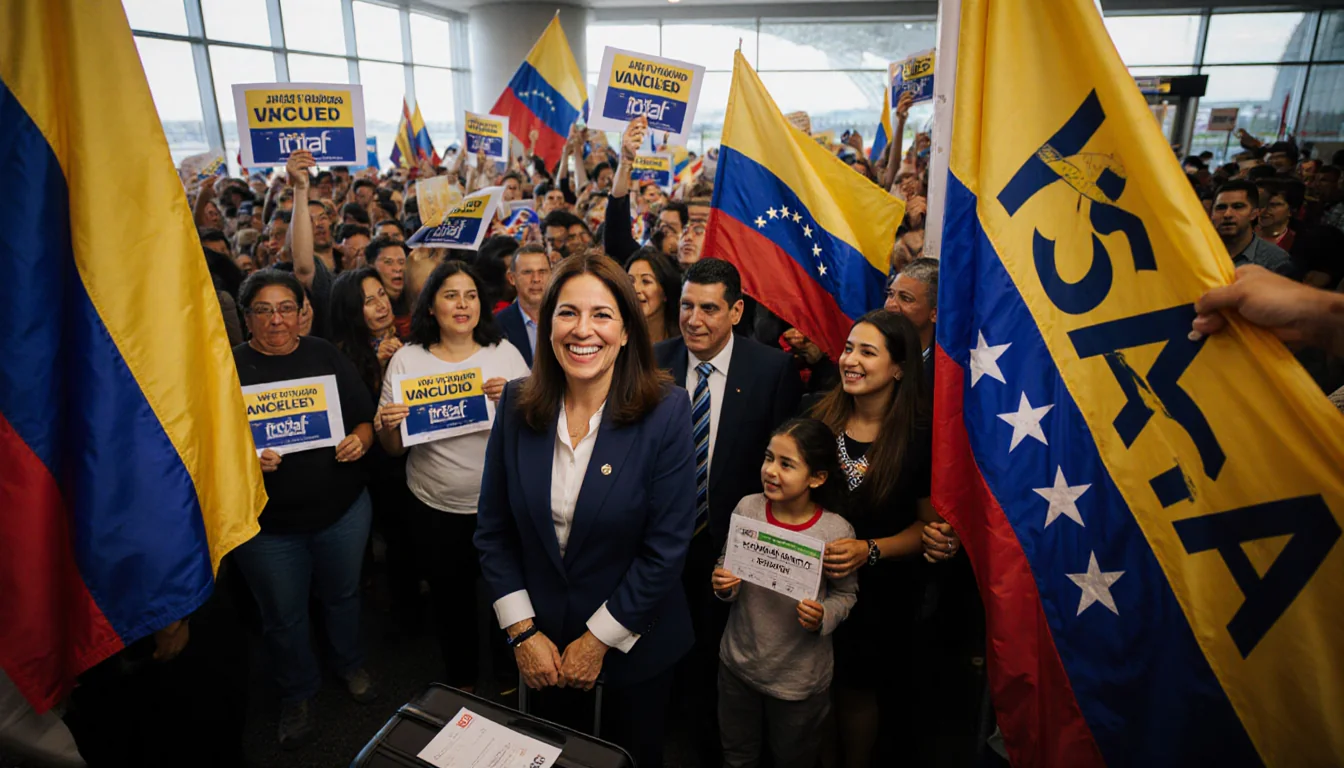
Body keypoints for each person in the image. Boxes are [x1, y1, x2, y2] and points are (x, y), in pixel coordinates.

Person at [474, 253, 696, 768]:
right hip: (541, 649)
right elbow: (493, 531)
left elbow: (665, 550)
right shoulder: (516, 402)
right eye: (568, 312)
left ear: (625, 330)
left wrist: (597, 641)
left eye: (601, 315)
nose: (583, 330)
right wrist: (523, 632)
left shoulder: (668, 411)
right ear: (548, 323)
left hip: (633, 652)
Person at [653, 258, 802, 761]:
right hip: (659, 541)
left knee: (719, 657)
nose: (694, 319)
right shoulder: (654, 363)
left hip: (734, 544)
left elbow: (780, 466)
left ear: (736, 311)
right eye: (687, 306)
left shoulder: (772, 369)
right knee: (661, 647)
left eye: (709, 308)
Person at [229, 269, 377, 750]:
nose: (277, 320)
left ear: (302, 312)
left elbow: (364, 418)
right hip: (267, 529)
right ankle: (297, 694)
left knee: (343, 596)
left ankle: (349, 664)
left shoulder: (325, 355)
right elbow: (209, 446)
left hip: (342, 513)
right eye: (264, 310)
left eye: (286, 308)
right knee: (283, 617)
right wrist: (245, 459)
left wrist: (359, 439)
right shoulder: (227, 369)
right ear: (247, 317)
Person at [375, 261, 529, 689]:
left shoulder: (505, 353)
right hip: (434, 508)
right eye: (450, 295)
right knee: (451, 600)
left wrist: (515, 402)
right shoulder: (407, 360)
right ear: (430, 307)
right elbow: (393, 449)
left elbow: (539, 427)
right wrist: (388, 427)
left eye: (471, 295)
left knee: (508, 597)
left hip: (501, 505)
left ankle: (508, 677)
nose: (462, 304)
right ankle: (460, 682)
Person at [808, 310, 941, 768]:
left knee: (855, 694)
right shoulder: (816, 417)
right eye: (848, 348)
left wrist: (870, 551)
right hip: (812, 588)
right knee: (815, 689)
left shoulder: (920, 436)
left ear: (899, 367)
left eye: (868, 352)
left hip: (880, 598)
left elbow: (927, 529)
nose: (851, 360)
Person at [712, 418, 857, 768]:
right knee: (737, 755)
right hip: (737, 665)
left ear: (817, 478)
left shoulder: (834, 531)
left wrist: (824, 615)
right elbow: (726, 563)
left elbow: (846, 594)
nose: (770, 471)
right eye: (768, 458)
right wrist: (722, 584)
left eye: (786, 464)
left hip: (798, 682)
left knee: (794, 758)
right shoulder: (748, 508)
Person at [1211, 181, 1295, 277]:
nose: (1227, 214)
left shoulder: (1276, 261)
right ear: (1211, 214)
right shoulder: (1198, 253)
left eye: (1238, 207)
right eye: (1221, 208)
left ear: (1254, 213)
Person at [496, 243, 552, 367]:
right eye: (527, 272)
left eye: (542, 271)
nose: (536, 279)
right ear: (512, 278)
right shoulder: (497, 325)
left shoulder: (568, 317)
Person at [884, 257, 938, 384]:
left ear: (934, 313)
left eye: (906, 298)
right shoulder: (872, 346)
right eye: (890, 294)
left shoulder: (943, 372)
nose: (890, 305)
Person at [626, 247, 681, 344]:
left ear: (665, 292)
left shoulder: (683, 340)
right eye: (630, 281)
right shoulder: (618, 338)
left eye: (646, 281)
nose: (635, 289)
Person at [368, 236, 412, 337]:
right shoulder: (365, 308)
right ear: (371, 266)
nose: (398, 268)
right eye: (388, 262)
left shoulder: (416, 303)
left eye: (402, 262)